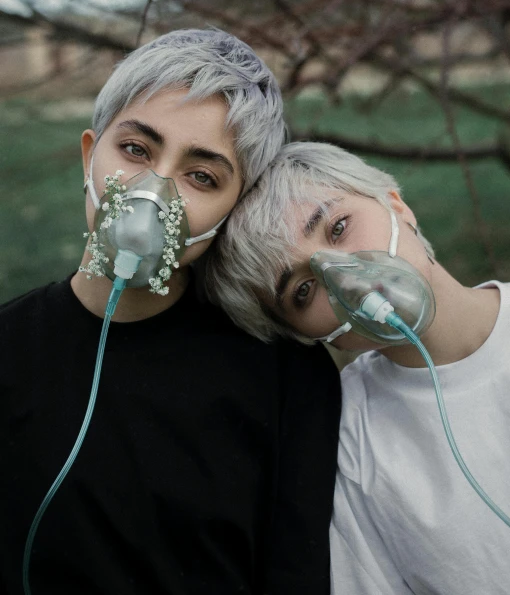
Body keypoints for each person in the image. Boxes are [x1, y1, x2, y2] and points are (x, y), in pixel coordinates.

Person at [0, 32, 341, 595]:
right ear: (90, 155)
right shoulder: (10, 350)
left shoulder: (285, 379)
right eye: (135, 150)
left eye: (201, 176)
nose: (154, 191)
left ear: (232, 211)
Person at [206, 140, 510, 595]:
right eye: (302, 291)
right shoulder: (349, 447)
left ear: (396, 206)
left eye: (338, 227)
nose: (341, 274)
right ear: (303, 333)